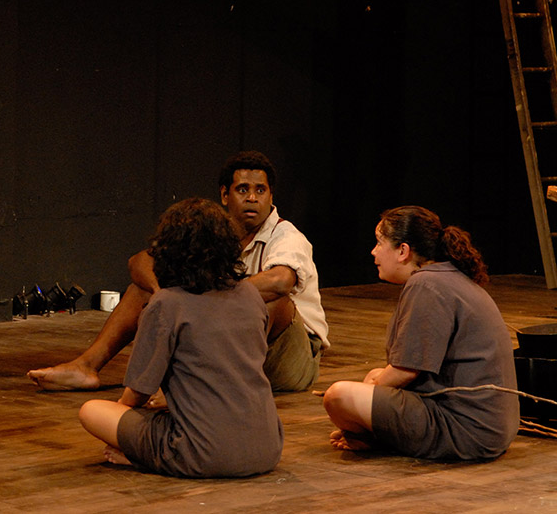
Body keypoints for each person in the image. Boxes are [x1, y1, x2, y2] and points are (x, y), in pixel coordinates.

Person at [29, 150, 328, 392]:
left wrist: (210, 300)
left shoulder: (287, 235)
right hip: (233, 342)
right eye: (243, 189)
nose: (252, 198)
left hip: (291, 359)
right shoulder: (212, 230)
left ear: (271, 197)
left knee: (275, 302)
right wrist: (165, 297)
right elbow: (140, 261)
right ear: (225, 195)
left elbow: (280, 281)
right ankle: (87, 366)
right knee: (142, 289)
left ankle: (220, 386)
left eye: (260, 190)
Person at [78, 198, 283, 477]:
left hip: (204, 454)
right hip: (267, 448)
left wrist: (123, 428)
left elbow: (138, 392)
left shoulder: (166, 304)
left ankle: (141, 459)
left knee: (92, 411)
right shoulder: (249, 294)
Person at [322, 206, 519, 460]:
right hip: (490, 429)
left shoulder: (426, 283)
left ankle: (369, 437)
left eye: (380, 243)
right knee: (373, 377)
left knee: (339, 396)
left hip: (466, 431)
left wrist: (359, 413)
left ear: (403, 251)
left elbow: (406, 370)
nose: (373, 251)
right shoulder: (446, 277)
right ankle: (369, 432)